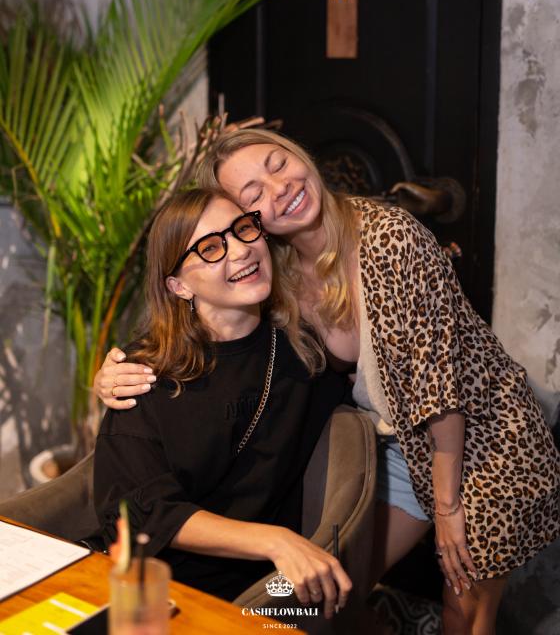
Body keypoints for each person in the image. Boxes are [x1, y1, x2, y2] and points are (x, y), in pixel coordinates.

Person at [95, 129, 560, 635]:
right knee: (337, 591)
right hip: (394, 443)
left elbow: (438, 390)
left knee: (463, 609)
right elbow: (142, 501)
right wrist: (117, 371)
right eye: (252, 195)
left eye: (278, 164)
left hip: (482, 436)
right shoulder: (277, 280)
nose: (279, 189)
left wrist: (449, 512)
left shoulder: (384, 242)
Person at [93, 188, 351, 617]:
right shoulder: (143, 374)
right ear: (178, 286)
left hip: (261, 592)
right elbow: (141, 510)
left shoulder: (304, 352)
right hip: (153, 588)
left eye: (244, 228)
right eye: (211, 248)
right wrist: (274, 540)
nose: (241, 249)